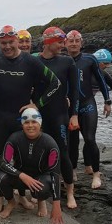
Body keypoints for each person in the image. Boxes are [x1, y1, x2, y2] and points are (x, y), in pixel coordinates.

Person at [0, 25, 61, 212]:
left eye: (11, 42)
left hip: (21, 118)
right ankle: (1, 196)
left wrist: (37, 105)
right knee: (0, 156)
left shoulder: (29, 61)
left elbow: (55, 83)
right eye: (3, 43)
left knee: (22, 157)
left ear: (17, 41)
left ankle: (22, 197)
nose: (7, 46)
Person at [0, 108, 64, 224]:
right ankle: (11, 202)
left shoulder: (50, 143)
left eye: (34, 122)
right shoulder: (15, 138)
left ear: (40, 124)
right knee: (0, 178)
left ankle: (41, 201)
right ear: (22, 125)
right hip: (21, 178)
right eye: (26, 122)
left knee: (42, 188)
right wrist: (22, 175)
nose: (30, 125)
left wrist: (56, 205)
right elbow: (2, 162)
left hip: (39, 180)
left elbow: (55, 174)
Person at [35, 27, 79, 209]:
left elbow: (75, 91)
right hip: (39, 116)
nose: (64, 45)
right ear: (48, 42)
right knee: (38, 154)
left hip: (59, 115)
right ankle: (41, 196)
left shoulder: (67, 62)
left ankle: (69, 193)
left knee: (63, 154)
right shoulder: (34, 61)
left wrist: (74, 115)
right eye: (60, 42)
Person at [66, 31, 112, 189]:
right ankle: (72, 169)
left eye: (76, 40)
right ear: (65, 43)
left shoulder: (89, 59)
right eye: (70, 40)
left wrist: (107, 101)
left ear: (81, 42)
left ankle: (96, 174)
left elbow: (101, 79)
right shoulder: (62, 60)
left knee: (90, 139)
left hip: (87, 104)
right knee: (71, 142)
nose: (73, 43)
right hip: (69, 107)